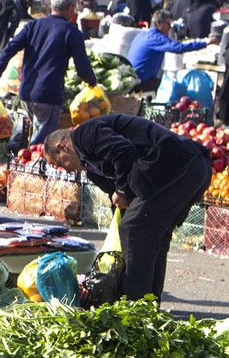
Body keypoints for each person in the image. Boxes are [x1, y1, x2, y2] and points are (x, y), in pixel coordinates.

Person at [44, 117, 211, 301]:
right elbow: (117, 196)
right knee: (153, 234)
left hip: (180, 165)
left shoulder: (85, 135)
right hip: (191, 168)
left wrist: (122, 190)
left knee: (133, 229)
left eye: (60, 164)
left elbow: (123, 150)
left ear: (62, 147)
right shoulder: (91, 167)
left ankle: (134, 303)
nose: (66, 171)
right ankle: (148, 303)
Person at [0, 0, 98, 146]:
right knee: (42, 146)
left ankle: (24, 158)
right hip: (48, 96)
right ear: (69, 7)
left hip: (26, 93)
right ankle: (29, 161)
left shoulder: (33, 25)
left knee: (35, 138)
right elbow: (82, 68)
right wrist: (92, 82)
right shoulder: (71, 31)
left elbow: (9, 49)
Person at [126, 9, 218, 94]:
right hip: (139, 82)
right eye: (168, 24)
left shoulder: (143, 34)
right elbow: (179, 48)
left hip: (132, 77)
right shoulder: (156, 38)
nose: (170, 27)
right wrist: (206, 42)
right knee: (172, 88)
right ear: (158, 24)